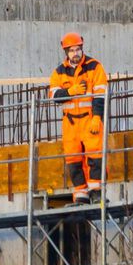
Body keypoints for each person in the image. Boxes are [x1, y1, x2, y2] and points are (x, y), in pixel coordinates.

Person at [49, 32, 108, 204]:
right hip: (70, 123)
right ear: (66, 52)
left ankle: (96, 192)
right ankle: (81, 193)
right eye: (72, 51)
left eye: (78, 50)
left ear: (82, 49)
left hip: (90, 119)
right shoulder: (59, 72)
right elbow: (53, 96)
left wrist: (97, 117)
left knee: (95, 156)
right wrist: (70, 92)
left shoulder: (94, 67)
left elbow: (100, 94)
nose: (75, 53)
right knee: (73, 159)